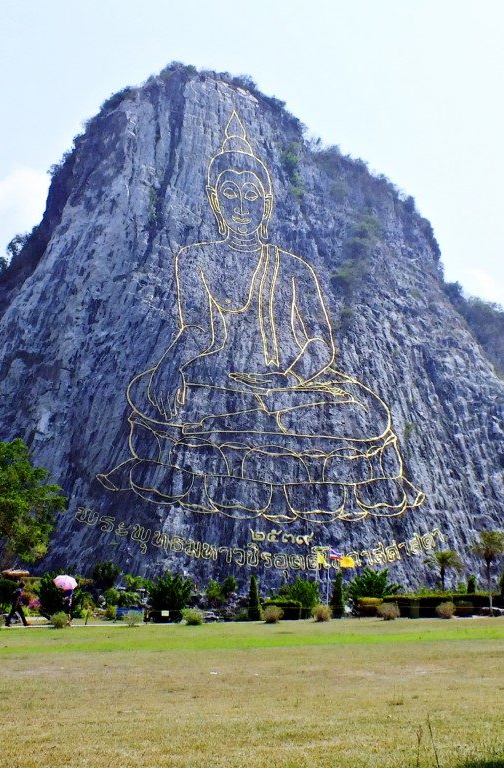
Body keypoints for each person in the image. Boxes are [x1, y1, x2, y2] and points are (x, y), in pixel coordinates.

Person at [98, 112, 425, 524]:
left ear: (267, 203)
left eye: (252, 195)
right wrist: (170, 367)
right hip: (219, 382)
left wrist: (289, 379)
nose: (241, 205)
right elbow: (198, 329)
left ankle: (265, 433)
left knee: (357, 413)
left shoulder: (293, 267)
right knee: (183, 403)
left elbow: (321, 340)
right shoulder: (195, 258)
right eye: (230, 193)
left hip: (290, 387)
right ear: (215, 198)